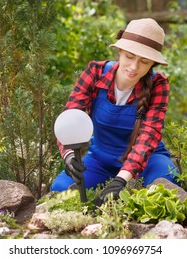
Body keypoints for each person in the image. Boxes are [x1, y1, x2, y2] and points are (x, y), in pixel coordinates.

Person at [50, 18, 179, 205]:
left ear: (152, 64)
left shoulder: (158, 85)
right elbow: (69, 116)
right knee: (61, 190)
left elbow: (149, 135)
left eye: (144, 61)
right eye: (129, 56)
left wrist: (122, 179)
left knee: (165, 184)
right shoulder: (95, 73)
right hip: (100, 160)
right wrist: (69, 155)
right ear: (119, 50)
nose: (134, 67)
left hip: (148, 160)